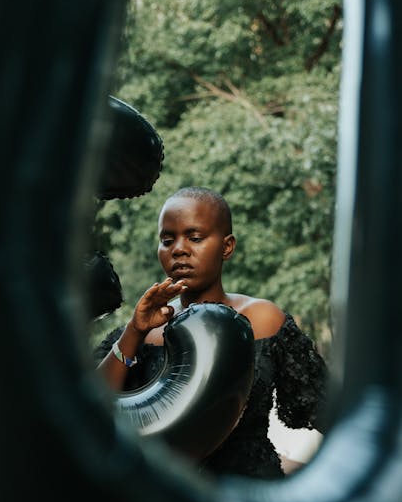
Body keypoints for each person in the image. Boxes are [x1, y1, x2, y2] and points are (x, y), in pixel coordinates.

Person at [95, 186, 327, 479]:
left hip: (252, 501)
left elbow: (330, 411)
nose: (178, 249)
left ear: (227, 246)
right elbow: (89, 407)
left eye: (195, 238)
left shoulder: (263, 319)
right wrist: (134, 330)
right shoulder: (144, 330)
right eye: (167, 240)